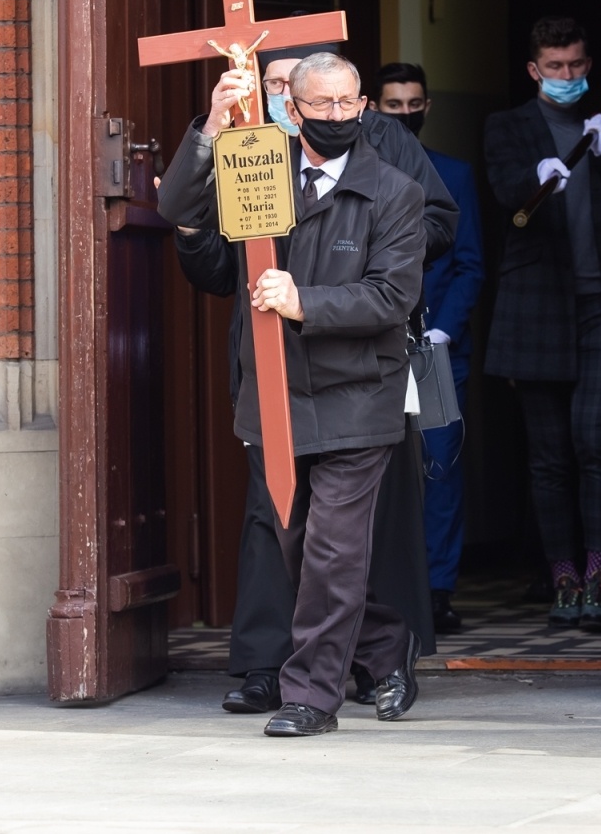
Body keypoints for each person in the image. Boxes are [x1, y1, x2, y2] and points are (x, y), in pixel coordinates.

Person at [169, 41, 456, 716]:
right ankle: (385, 648)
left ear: (362, 106)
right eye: (319, 102)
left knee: (332, 549)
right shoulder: (259, 167)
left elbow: (392, 298)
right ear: (290, 111)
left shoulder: (394, 191)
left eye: (345, 102)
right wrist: (212, 125)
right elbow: (181, 205)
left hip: (358, 394)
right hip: (274, 389)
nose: (335, 113)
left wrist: (305, 303)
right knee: (300, 549)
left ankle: (310, 698)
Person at [483, 17, 601, 632]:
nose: (567, 77)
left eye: (576, 65)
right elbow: (502, 194)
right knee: (550, 456)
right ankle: (562, 575)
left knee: (596, 442)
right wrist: (535, 177)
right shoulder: (507, 127)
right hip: (536, 309)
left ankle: (600, 572)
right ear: (535, 70)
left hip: (599, 308)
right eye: (555, 67)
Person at [371, 63, 483, 634]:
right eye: (395, 105)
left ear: (428, 104)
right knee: (370, 471)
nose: (406, 114)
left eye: (415, 103)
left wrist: (445, 330)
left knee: (439, 468)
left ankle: (437, 590)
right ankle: (381, 594)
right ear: (374, 107)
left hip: (434, 349)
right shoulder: (356, 171)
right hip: (370, 346)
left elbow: (470, 263)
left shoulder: (454, 174)